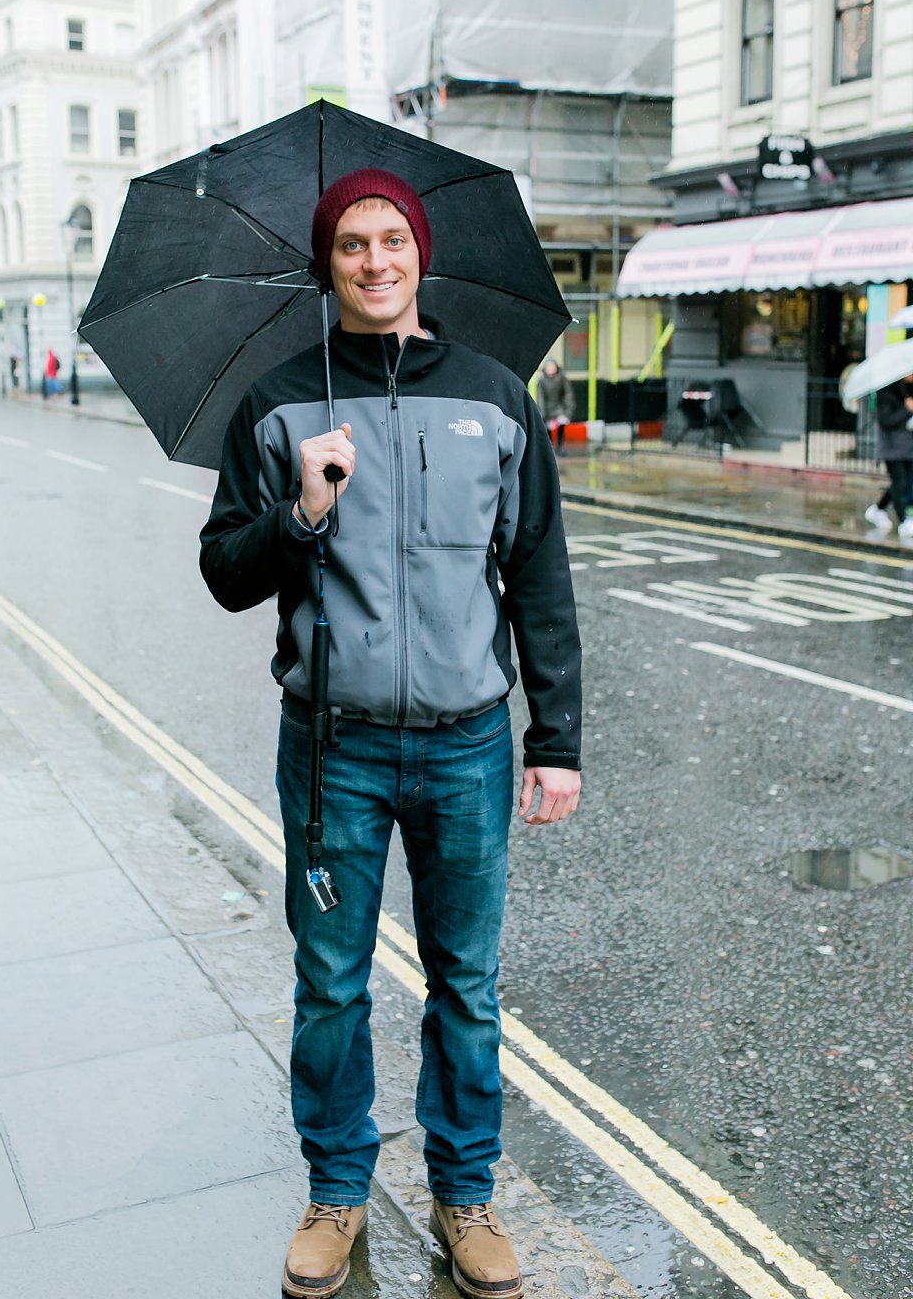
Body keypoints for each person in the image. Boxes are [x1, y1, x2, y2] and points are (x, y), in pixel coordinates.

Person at [199, 168, 582, 1299]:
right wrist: (299, 512)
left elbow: (537, 574)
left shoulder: (492, 396)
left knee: (465, 981)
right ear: (326, 266)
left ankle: (465, 1195)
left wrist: (550, 737)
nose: (373, 261)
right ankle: (334, 1191)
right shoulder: (277, 404)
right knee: (330, 986)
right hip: (332, 752)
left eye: (390, 240)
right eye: (350, 245)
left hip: (467, 744)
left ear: (418, 253)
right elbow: (223, 572)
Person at [864, 376, 913, 537]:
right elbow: (886, 421)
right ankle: (904, 521)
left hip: (907, 446)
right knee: (900, 482)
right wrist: (907, 410)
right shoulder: (885, 392)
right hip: (891, 448)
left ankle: (877, 509)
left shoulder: (906, 389)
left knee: (900, 484)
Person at [537, 357, 575, 452]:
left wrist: (568, 410)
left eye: (552, 367)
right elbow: (541, 398)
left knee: (561, 428)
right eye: (549, 367)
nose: (551, 369)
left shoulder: (561, 378)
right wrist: (543, 414)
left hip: (559, 409)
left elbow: (568, 394)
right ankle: (549, 448)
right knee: (548, 430)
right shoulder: (542, 381)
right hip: (547, 410)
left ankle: (560, 446)